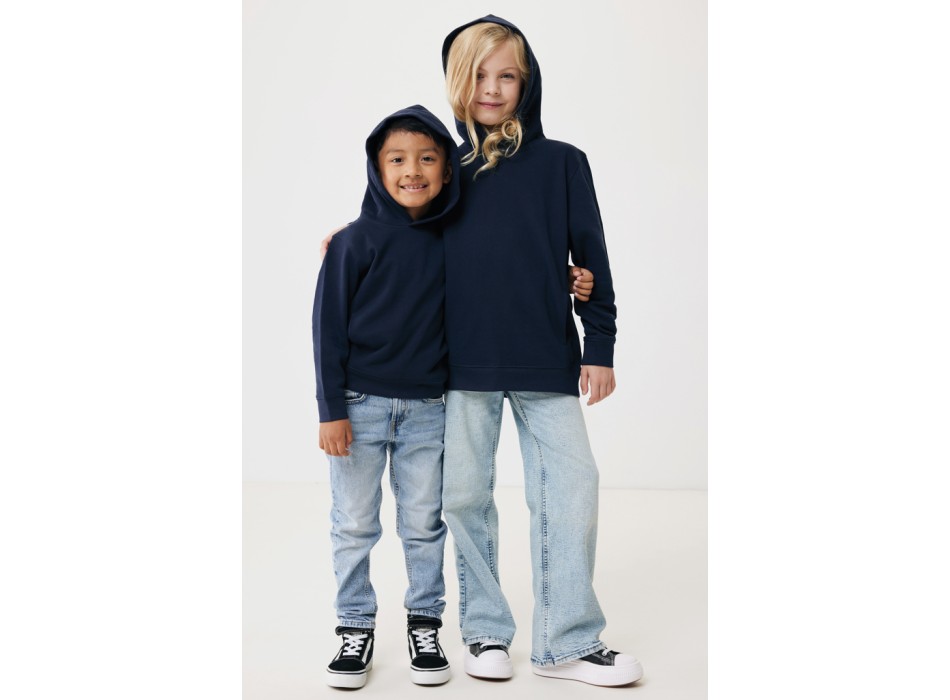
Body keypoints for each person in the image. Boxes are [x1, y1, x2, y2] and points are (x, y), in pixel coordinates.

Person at [438, 16, 643, 687]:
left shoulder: (563, 164)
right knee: (464, 496)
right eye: (480, 74)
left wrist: (599, 342)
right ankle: (484, 633)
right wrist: (350, 240)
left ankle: (567, 642)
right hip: (456, 363)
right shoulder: (439, 164)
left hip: (544, 356)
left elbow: (592, 257)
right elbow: (398, 234)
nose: (493, 88)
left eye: (508, 75)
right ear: (457, 79)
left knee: (573, 487)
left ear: (527, 84)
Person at [312, 105, 460, 689]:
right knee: (354, 524)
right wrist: (331, 411)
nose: (412, 170)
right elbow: (326, 329)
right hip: (359, 406)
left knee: (423, 524)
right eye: (397, 159)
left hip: (428, 410)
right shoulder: (353, 243)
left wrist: (567, 277)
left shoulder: (454, 241)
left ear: (447, 170)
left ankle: (425, 623)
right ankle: (355, 626)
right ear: (377, 169)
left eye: (427, 159)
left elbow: (504, 274)